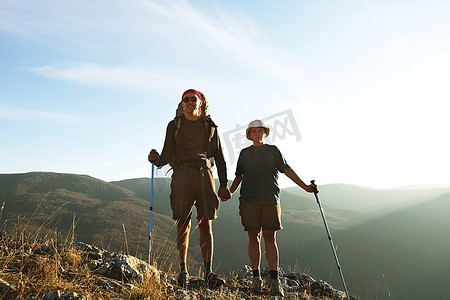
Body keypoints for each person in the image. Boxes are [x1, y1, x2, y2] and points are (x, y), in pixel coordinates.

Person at [148, 89, 231, 288]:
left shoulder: (209, 126)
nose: (191, 102)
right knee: (182, 222)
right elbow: (168, 153)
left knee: (205, 223)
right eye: (187, 99)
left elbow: (219, 156)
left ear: (200, 103)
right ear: (182, 104)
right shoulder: (174, 126)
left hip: (204, 174)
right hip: (182, 174)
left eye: (194, 99)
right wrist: (157, 159)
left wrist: (224, 184)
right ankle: (183, 270)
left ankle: (207, 272)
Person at [227, 119, 316, 296]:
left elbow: (287, 169)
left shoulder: (273, 151)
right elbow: (238, 176)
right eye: (254, 131)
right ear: (249, 134)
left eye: (260, 131)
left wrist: (306, 187)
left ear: (265, 133)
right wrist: (229, 192)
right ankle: (256, 278)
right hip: (249, 200)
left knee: (270, 238)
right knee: (253, 237)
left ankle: (274, 280)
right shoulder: (244, 153)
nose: (257, 134)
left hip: (270, 200)